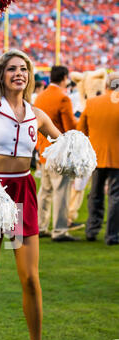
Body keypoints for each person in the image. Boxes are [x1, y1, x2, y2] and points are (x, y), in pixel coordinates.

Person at [0, 4, 61, 340]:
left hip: (24, 190)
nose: (19, 73)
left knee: (30, 278)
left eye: (24, 69)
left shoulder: (37, 115)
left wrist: (74, 152)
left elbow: (65, 142)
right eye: (12, 68)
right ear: (1, 75)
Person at [35, 65, 83, 241]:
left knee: (45, 191)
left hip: (43, 150)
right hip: (59, 151)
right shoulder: (63, 98)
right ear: (64, 78)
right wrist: (82, 120)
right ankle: (60, 230)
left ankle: (40, 226)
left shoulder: (41, 96)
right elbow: (70, 127)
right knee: (61, 191)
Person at [77, 72, 119, 245]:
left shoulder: (92, 102)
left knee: (95, 194)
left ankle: (92, 230)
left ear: (106, 86)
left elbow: (81, 130)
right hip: (117, 157)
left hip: (95, 156)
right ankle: (112, 235)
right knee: (116, 196)